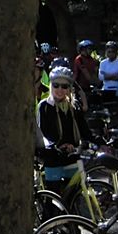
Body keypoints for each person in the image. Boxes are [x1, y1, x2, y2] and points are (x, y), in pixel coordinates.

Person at [35, 66, 93, 198]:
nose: (60, 90)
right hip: (53, 157)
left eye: (64, 86)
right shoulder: (44, 106)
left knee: (74, 196)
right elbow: (43, 133)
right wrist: (58, 146)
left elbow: (84, 129)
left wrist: (95, 141)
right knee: (53, 198)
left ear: (70, 88)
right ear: (51, 86)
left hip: (71, 156)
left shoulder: (74, 106)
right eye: (56, 85)